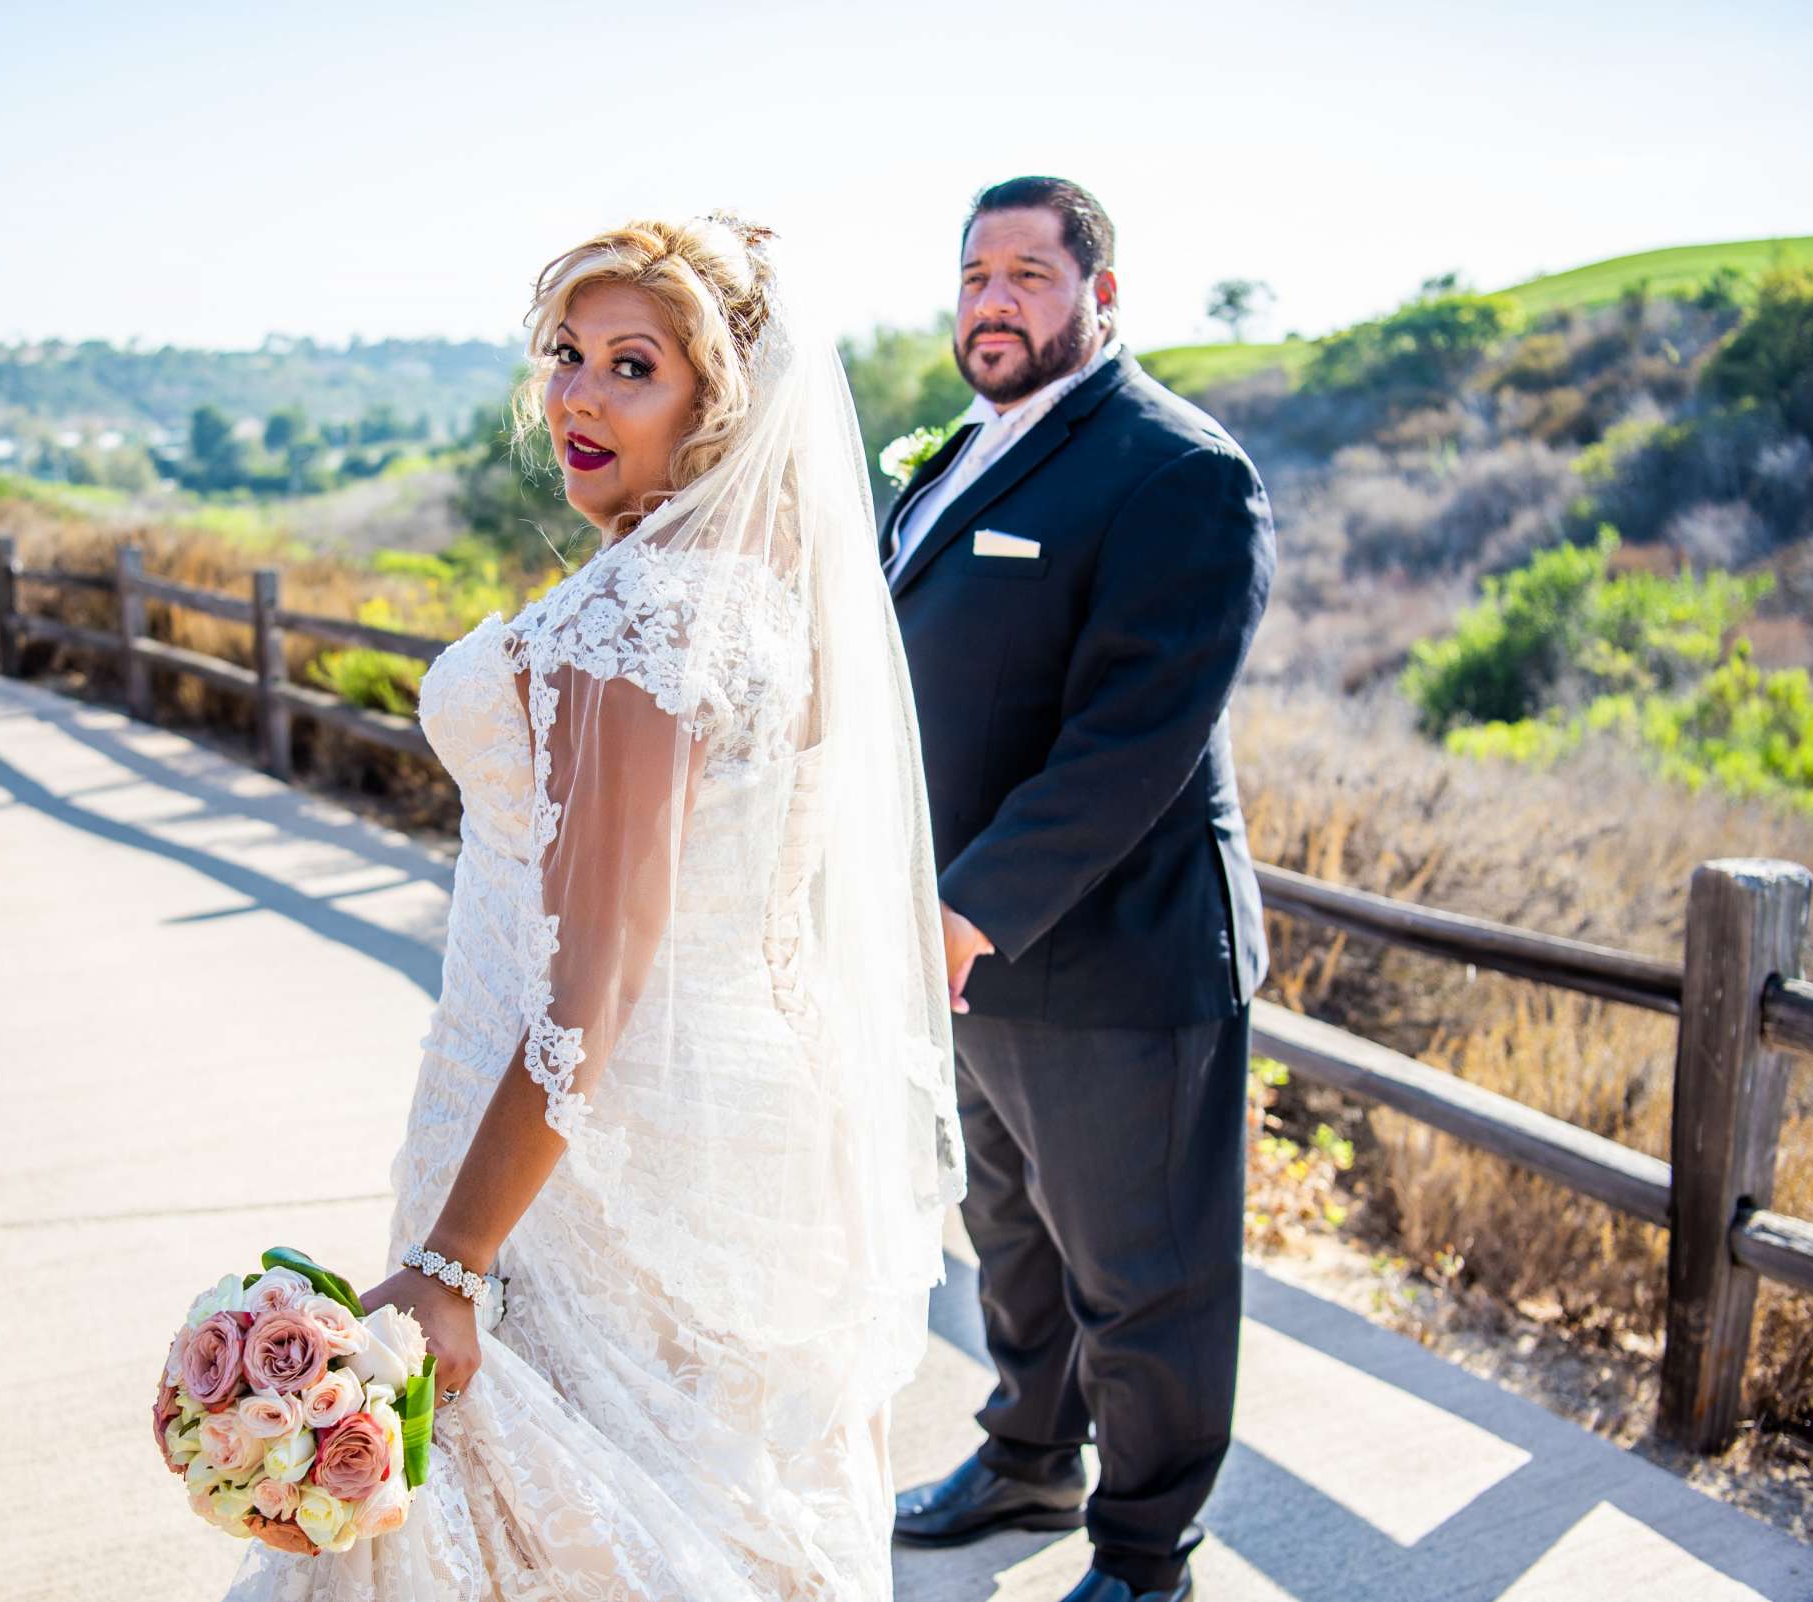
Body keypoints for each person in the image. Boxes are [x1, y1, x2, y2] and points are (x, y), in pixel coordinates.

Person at [221, 215, 963, 1601]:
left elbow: (596, 983)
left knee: (566, 1512)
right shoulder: (763, 597)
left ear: (716, 406)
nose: (578, 394)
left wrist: (454, 1258)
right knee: (702, 1495)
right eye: (568, 353)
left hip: (595, 1156)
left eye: (635, 365)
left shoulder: (642, 617)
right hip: (742, 1118)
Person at [883, 177, 1276, 1602]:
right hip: (964, 959)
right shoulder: (964, 450)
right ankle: (1027, 1454)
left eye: (1030, 275)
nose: (994, 298)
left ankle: (1146, 1547)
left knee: (1144, 1275)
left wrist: (970, 907)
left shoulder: (1178, 471)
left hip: (1115, 963)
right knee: (1014, 1239)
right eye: (975, 273)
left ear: (1102, 298)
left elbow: (1137, 738)